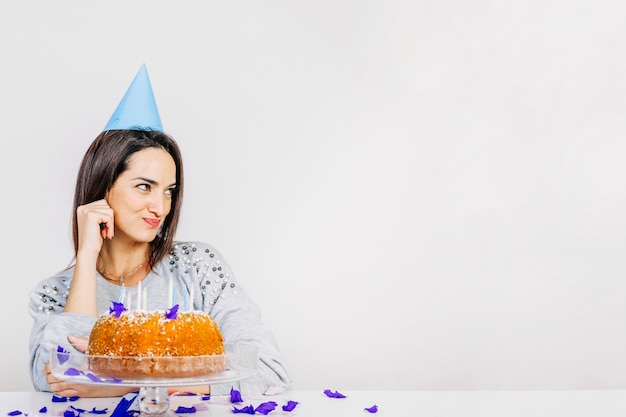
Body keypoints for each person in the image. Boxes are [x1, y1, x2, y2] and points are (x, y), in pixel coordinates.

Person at [28, 65, 291, 398]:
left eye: (169, 190)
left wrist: (130, 383)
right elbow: (55, 378)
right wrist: (86, 257)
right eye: (144, 186)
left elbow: (269, 371)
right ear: (101, 189)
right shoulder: (56, 292)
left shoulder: (198, 268)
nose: (161, 207)